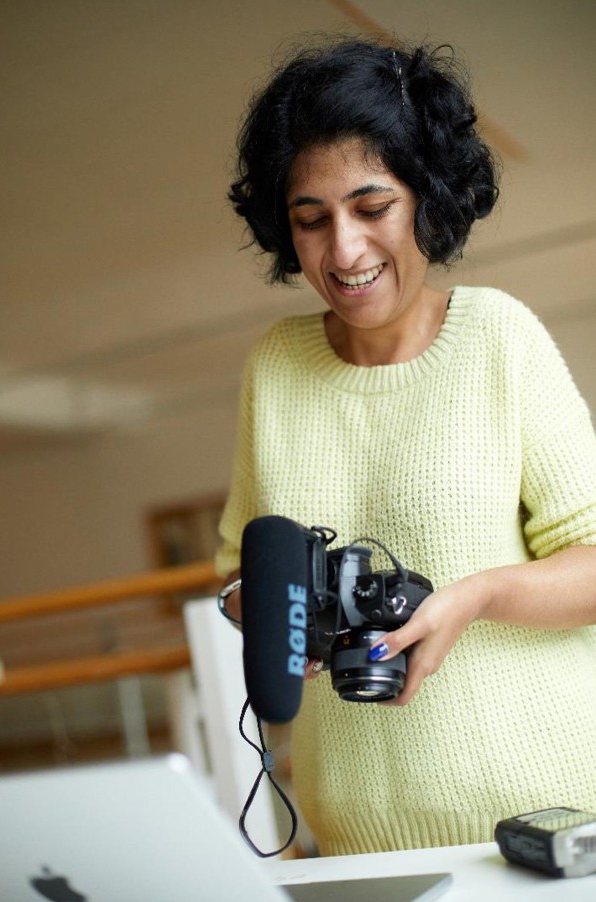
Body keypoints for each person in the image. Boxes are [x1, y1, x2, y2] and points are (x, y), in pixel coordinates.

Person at [215, 36, 596, 856]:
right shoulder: (274, 367)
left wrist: (474, 596)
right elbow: (242, 573)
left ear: (427, 197)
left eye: (371, 206)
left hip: (541, 828)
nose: (343, 251)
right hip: (352, 839)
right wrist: (285, 616)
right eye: (309, 219)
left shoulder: (500, 337)